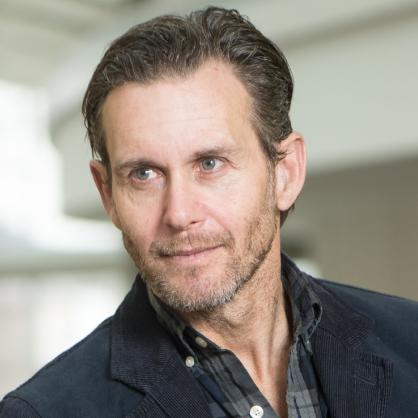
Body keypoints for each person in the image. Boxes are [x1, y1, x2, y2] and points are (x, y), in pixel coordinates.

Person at [1, 6, 417, 418]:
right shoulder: (46, 411)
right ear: (107, 195)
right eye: (144, 173)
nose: (179, 214)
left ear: (286, 173)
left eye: (210, 163)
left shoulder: (411, 340)